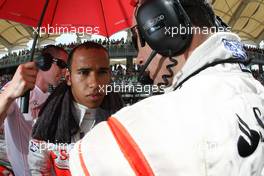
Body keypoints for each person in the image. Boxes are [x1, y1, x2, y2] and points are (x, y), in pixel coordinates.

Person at [69, 0, 264, 175]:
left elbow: (73, 163)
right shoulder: (256, 90)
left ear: (162, 29)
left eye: (138, 40)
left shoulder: (157, 121)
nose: (139, 59)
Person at [28, 41, 124, 175]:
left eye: (102, 72)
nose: (94, 83)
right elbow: (37, 170)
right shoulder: (47, 121)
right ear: (68, 77)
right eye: (84, 72)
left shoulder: (125, 121)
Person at [0, 45, 68, 176]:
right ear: (45, 62)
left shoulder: (51, 97)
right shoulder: (18, 90)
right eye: (61, 64)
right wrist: (9, 93)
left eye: (67, 66)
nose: (65, 71)